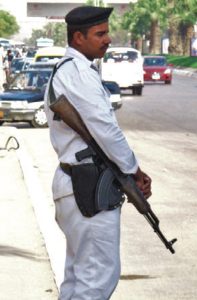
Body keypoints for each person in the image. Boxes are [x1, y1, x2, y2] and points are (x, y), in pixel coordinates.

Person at [44, 5, 152, 300]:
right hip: (87, 187)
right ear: (78, 37)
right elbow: (106, 131)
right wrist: (134, 171)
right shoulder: (78, 73)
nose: (107, 39)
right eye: (100, 34)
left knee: (79, 278)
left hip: (78, 185)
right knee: (97, 279)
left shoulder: (71, 70)